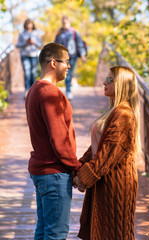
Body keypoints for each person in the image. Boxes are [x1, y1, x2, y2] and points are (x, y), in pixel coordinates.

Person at [73, 66, 141, 240]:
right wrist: (78, 166)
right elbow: (98, 147)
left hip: (116, 184)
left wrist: (82, 177)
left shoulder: (124, 115)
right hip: (103, 179)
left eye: (110, 80)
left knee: (115, 233)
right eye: (106, 78)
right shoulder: (113, 111)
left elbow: (108, 155)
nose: (104, 82)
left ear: (122, 85)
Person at [25, 43, 82, 240]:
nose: (68, 66)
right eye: (66, 62)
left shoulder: (34, 90)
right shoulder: (50, 93)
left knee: (44, 232)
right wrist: (75, 166)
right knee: (55, 234)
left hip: (44, 172)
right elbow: (59, 138)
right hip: (54, 173)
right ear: (52, 63)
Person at [54, 16, 86, 100]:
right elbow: (55, 44)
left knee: (70, 72)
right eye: (63, 23)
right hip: (63, 56)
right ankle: (67, 90)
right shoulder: (59, 33)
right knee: (65, 72)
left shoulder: (74, 32)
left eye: (66, 23)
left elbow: (80, 44)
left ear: (69, 23)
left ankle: (68, 90)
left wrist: (83, 55)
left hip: (73, 55)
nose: (65, 24)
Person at [17, 18, 42, 98]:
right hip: (25, 55)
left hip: (34, 55)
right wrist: (25, 42)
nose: (29, 25)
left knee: (32, 73)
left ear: (32, 25)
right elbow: (18, 45)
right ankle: (27, 90)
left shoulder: (36, 33)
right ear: (25, 25)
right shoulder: (22, 34)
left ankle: (32, 90)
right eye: (28, 24)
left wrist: (34, 42)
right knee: (27, 73)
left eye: (30, 24)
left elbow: (40, 45)